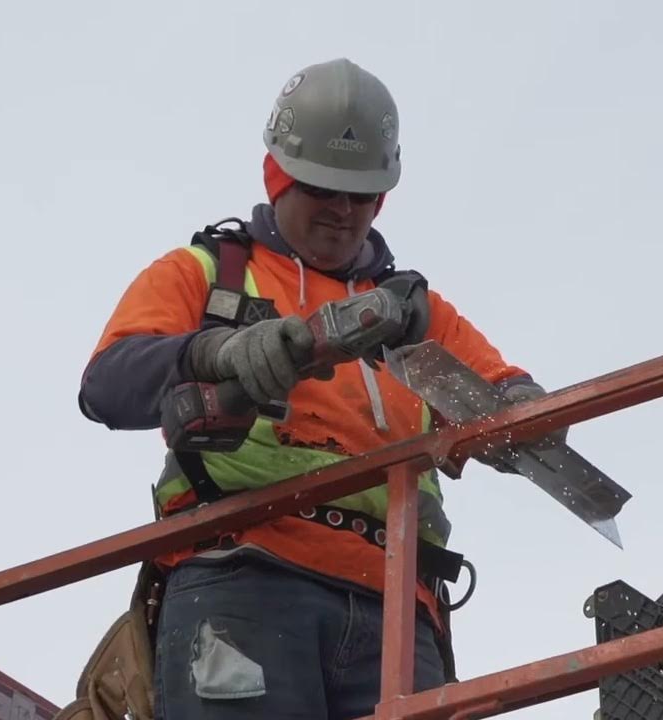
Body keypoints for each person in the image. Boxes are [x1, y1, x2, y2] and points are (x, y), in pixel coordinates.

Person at [78, 57, 563, 719]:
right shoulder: (208, 274)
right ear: (279, 175)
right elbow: (108, 385)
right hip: (243, 577)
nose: (341, 211)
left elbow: (515, 401)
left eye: (358, 195)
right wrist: (220, 350)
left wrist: (529, 411)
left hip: (394, 604)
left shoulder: (416, 315)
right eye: (321, 189)